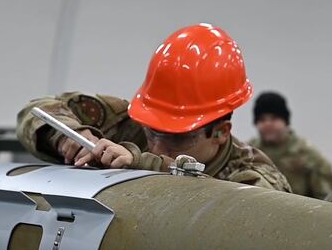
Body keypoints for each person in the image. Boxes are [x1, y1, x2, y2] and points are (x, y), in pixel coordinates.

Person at [16, 23, 291, 192]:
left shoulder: (255, 177)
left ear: (220, 132)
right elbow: (36, 111)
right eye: (152, 131)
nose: (157, 146)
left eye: (176, 137)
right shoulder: (128, 122)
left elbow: (242, 221)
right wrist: (70, 137)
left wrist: (144, 165)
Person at [248, 91, 332, 199]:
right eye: (262, 119)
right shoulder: (248, 153)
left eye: (274, 118)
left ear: (285, 121)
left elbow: (325, 200)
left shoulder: (308, 155)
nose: (268, 124)